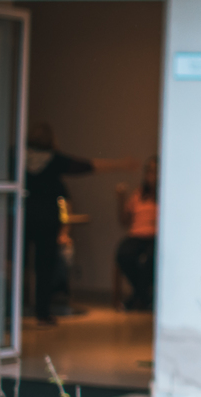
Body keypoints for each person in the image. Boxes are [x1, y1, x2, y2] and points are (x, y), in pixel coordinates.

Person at [24, 122, 135, 325]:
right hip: (48, 218)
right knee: (44, 266)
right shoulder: (54, 160)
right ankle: (42, 312)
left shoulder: (18, 159)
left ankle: (14, 309)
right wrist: (120, 164)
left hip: (24, 217)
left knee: (20, 263)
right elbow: (87, 166)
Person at [116, 156, 159, 311]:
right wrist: (120, 199)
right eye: (148, 171)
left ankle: (135, 298)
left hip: (155, 237)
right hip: (136, 235)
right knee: (123, 254)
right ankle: (145, 297)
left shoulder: (164, 196)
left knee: (151, 259)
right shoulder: (138, 194)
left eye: (154, 171)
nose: (151, 175)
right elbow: (124, 221)